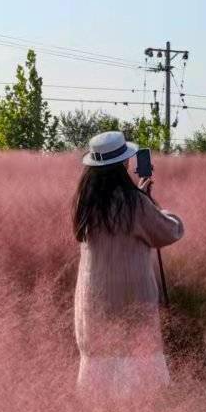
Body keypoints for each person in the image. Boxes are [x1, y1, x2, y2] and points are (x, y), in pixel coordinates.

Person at [73, 131, 184, 394]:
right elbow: (170, 231)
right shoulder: (134, 203)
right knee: (138, 397)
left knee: (100, 397)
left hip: (93, 309)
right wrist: (148, 201)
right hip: (130, 308)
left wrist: (140, 199)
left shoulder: (85, 204)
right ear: (123, 165)